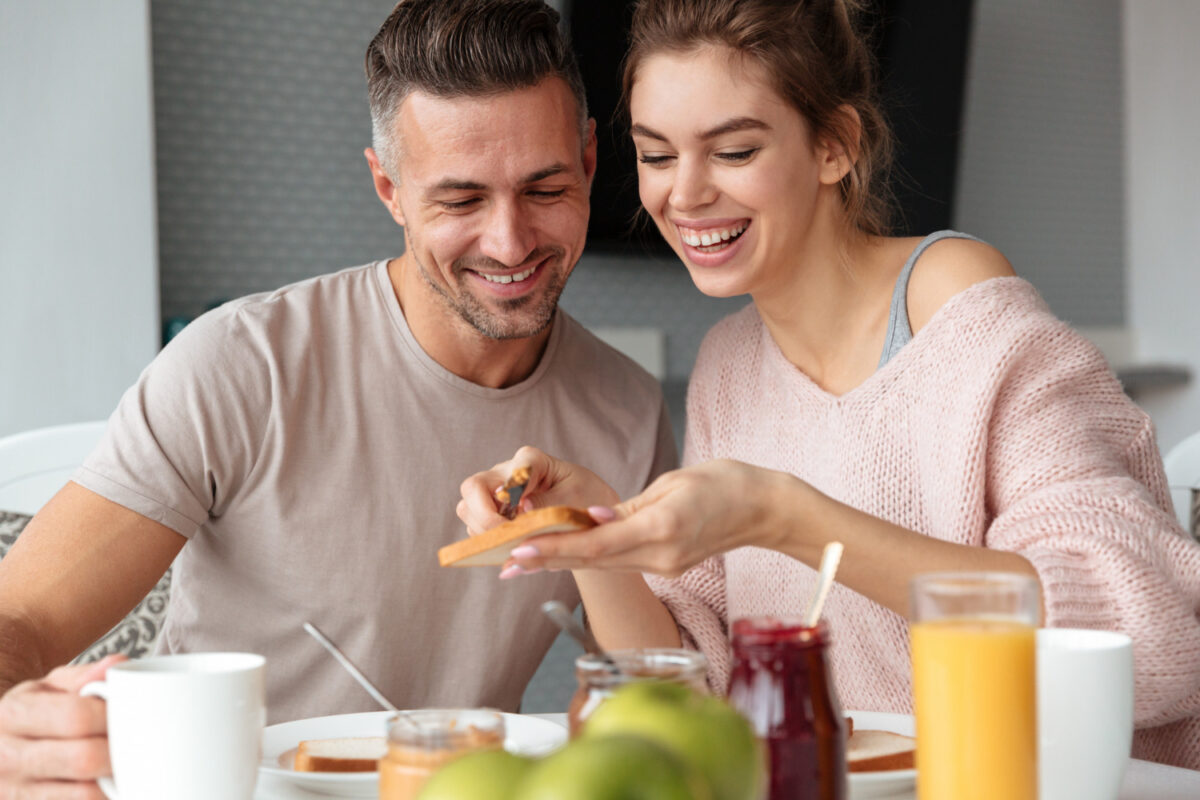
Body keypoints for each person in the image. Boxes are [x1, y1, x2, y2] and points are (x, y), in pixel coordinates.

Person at [458, 0, 1200, 769]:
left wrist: (784, 516)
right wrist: (590, 537)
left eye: (734, 151)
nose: (684, 195)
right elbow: (697, 701)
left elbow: (1144, 632)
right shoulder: (730, 369)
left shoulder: (951, 305)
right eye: (656, 155)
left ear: (835, 147)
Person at [0, 0, 676, 793]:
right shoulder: (238, 366)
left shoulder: (627, 411)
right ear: (388, 187)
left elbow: (663, 707)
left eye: (545, 187)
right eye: (460, 201)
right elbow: (25, 620)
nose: (509, 240)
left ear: (592, 161)